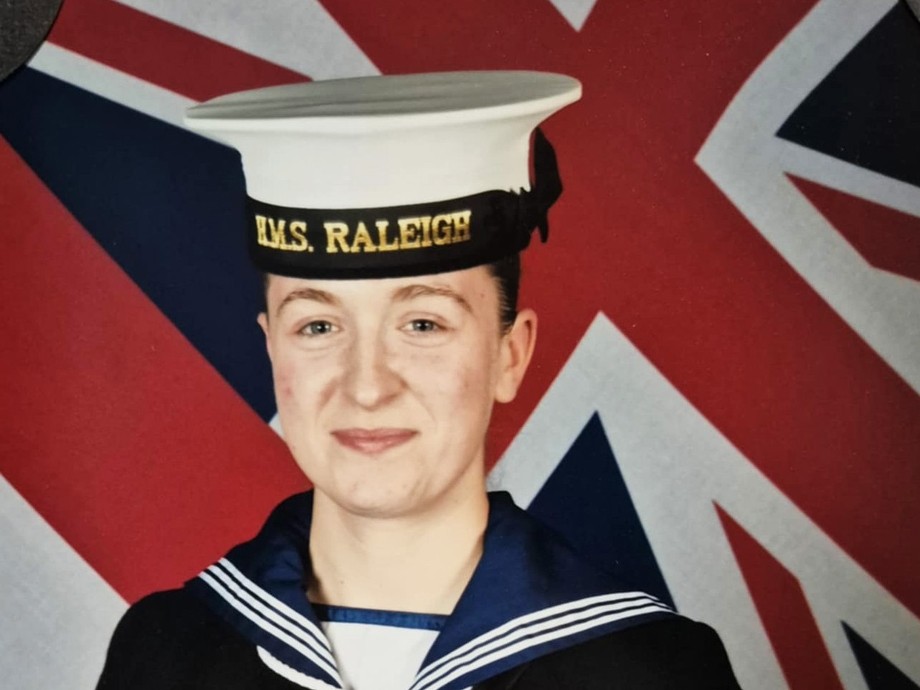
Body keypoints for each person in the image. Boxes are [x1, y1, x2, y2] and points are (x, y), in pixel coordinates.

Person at [96, 71, 741, 689]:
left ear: (509, 357)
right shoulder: (163, 657)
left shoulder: (650, 675)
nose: (367, 387)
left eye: (423, 324)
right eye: (319, 327)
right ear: (272, 354)